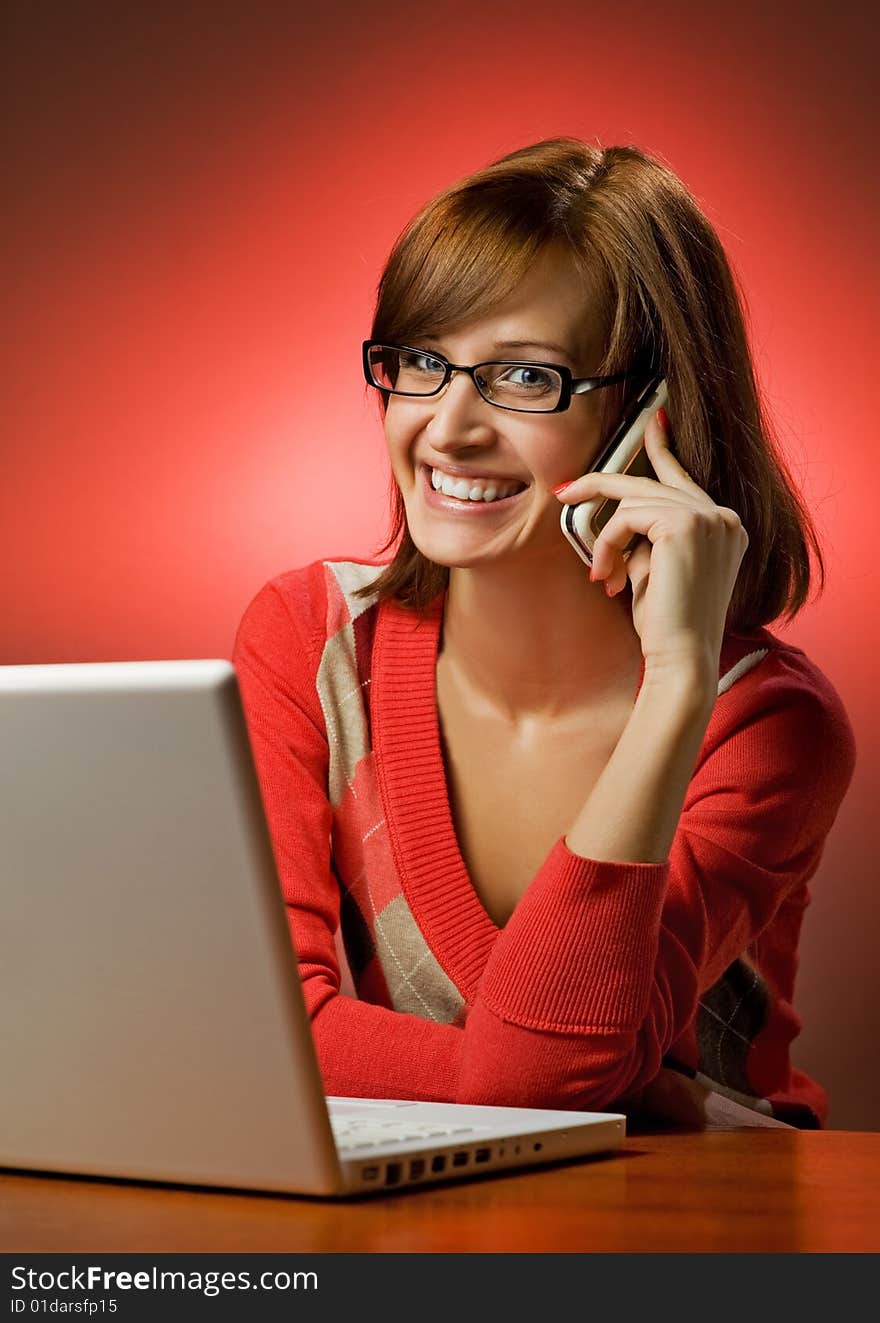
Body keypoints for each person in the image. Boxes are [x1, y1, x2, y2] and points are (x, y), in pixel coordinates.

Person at [232, 138, 856, 1128]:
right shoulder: (309, 642)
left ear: (653, 410)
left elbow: (541, 1069)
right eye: (422, 363)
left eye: (525, 377)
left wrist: (677, 680)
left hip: (699, 1226)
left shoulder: (767, 725)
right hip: (414, 1223)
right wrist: (600, 1083)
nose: (447, 428)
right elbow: (261, 1029)